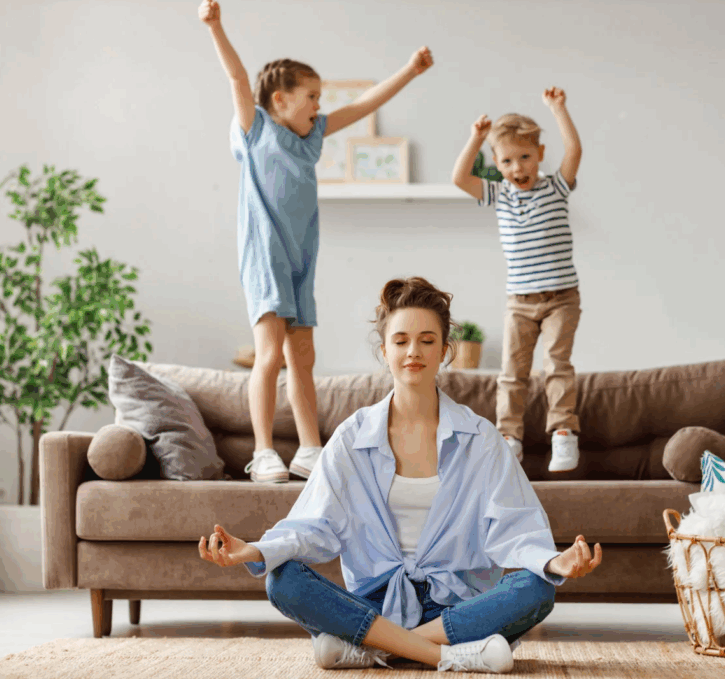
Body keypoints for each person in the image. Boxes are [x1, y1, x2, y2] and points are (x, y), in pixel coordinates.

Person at [199, 277, 603, 673]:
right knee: (281, 579)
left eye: (428, 340)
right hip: (374, 603)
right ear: (384, 350)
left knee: (536, 588)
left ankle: (371, 647)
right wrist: (254, 551)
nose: (414, 351)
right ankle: (448, 655)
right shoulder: (352, 437)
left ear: (446, 351)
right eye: (401, 341)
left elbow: (514, 527)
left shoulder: (480, 438)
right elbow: (314, 525)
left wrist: (555, 562)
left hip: (455, 606)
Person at [200, 0, 434, 483]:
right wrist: (216, 27)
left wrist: (410, 70)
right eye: (311, 96)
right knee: (269, 354)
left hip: (302, 257)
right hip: (264, 255)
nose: (318, 105)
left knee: (302, 357)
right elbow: (239, 81)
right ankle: (263, 450)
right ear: (280, 100)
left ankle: (309, 448)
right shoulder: (256, 129)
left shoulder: (312, 137)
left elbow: (364, 104)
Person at [450, 88, 584, 472]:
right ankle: (509, 437)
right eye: (507, 161)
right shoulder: (499, 194)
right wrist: (476, 137)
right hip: (519, 302)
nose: (517, 168)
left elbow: (574, 150)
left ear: (540, 155)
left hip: (561, 297)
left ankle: (562, 433)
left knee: (557, 364)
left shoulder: (556, 187)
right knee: (512, 372)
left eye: (525, 157)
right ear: (496, 162)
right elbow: (460, 177)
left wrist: (558, 109)